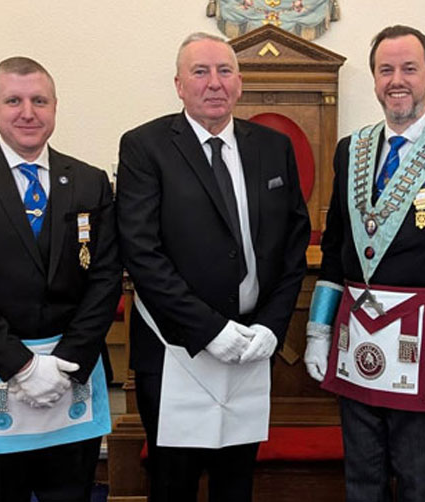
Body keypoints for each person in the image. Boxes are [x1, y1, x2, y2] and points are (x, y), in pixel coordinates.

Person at [304, 25, 425, 501]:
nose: (398, 80)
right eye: (386, 69)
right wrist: (319, 331)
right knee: (362, 480)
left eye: (409, 69)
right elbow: (337, 248)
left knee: (421, 482)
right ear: (373, 79)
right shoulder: (351, 149)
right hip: (357, 341)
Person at [116, 32, 311, 502]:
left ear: (240, 83)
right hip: (176, 349)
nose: (214, 83)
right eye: (200, 72)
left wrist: (271, 324)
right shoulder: (146, 147)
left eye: (225, 71)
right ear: (179, 84)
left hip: (250, 346)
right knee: (173, 482)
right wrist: (209, 330)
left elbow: (293, 246)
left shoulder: (272, 147)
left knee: (235, 481)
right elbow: (142, 253)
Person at [0, 56, 121, 502]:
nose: (27, 112)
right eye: (14, 100)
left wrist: (64, 362)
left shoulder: (90, 181)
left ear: (55, 106)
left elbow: (106, 277)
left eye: (39, 100)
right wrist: (24, 366)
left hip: (74, 375)